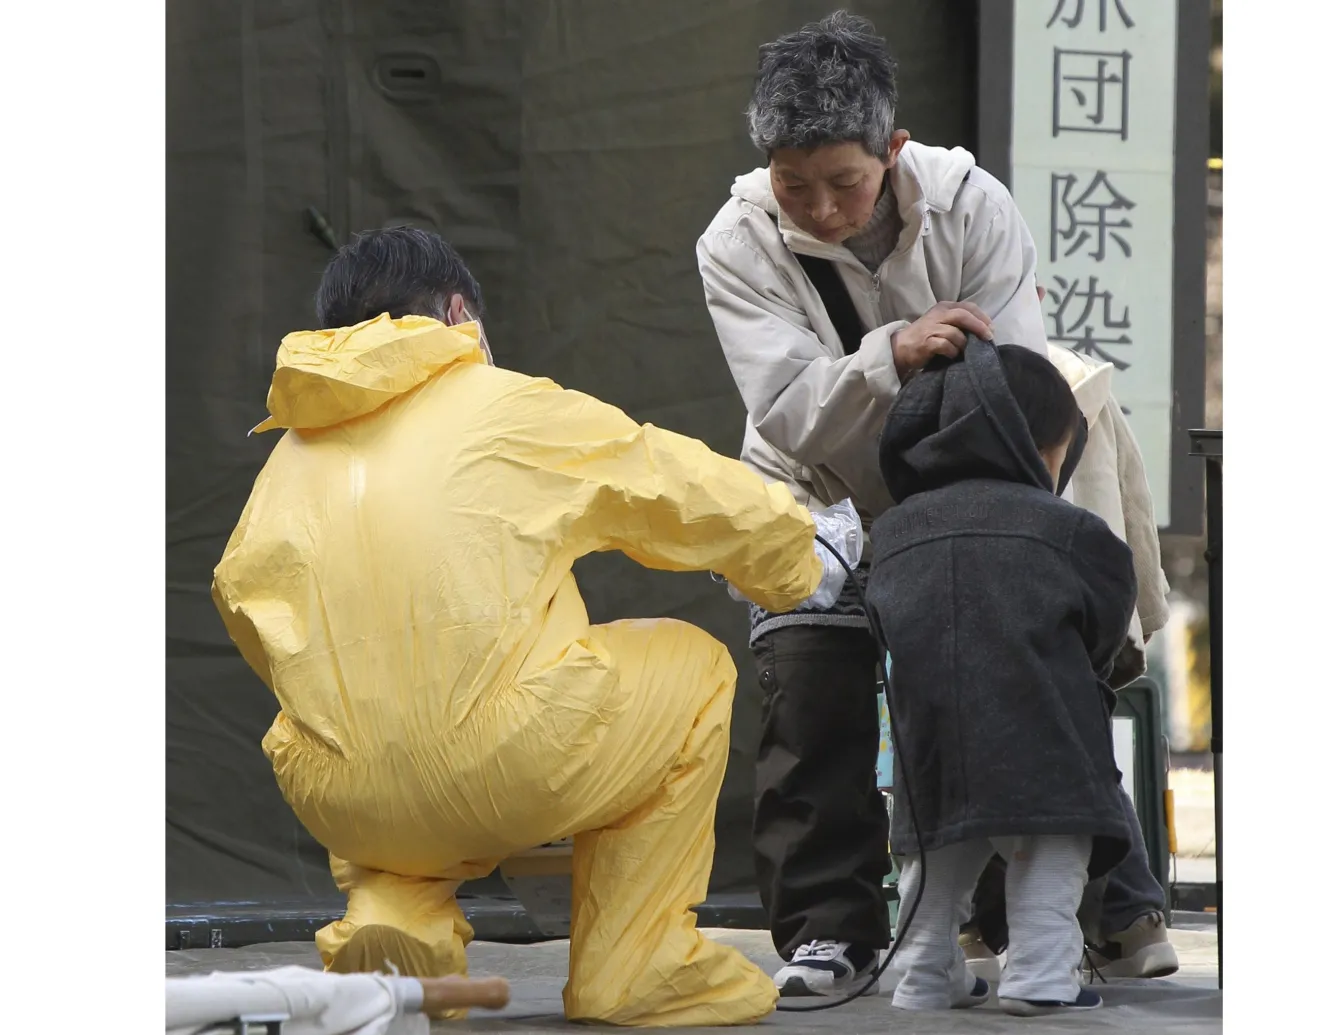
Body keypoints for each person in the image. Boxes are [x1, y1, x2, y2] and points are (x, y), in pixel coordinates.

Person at [210, 226, 861, 1027]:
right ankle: (637, 965)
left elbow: (246, 608)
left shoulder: (284, 464)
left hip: (343, 796)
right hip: (505, 754)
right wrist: (801, 554)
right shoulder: (505, 405)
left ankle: (394, 925)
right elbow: (670, 482)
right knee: (690, 667)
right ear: (459, 315)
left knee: (367, 739)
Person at [696, 10, 1175, 996]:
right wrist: (897, 352)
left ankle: (1093, 915)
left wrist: (963, 520)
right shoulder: (736, 241)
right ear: (765, 169)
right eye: (796, 186)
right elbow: (787, 409)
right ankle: (830, 932)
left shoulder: (972, 205)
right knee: (809, 678)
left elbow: (1015, 388)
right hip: (813, 490)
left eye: (844, 183)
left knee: (1022, 667)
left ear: (893, 151)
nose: (821, 209)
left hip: (974, 481)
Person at [867, 341, 1134, 1016]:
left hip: (930, 738)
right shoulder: (1067, 528)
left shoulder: (895, 532)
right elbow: (1106, 620)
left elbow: (883, 624)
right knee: (1049, 845)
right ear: (1032, 442)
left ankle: (925, 976)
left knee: (937, 863)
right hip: (1044, 730)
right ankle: (1041, 973)